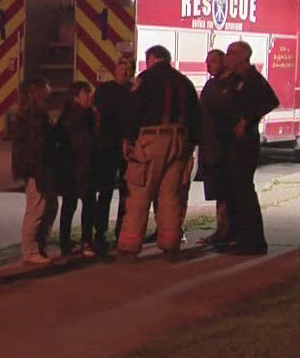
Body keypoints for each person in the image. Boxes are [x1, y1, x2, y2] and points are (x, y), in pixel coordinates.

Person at [115, 44, 202, 261]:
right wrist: (190, 144)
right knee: (171, 196)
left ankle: (129, 247)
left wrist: (127, 139)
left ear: (152, 58)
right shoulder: (184, 82)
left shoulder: (144, 80)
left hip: (151, 141)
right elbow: (195, 116)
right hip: (180, 142)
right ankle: (171, 245)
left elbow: (133, 111)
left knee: (139, 194)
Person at [215, 41, 281, 255]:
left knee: (243, 190)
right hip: (229, 142)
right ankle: (235, 236)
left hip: (245, 142)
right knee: (232, 190)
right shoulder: (233, 79)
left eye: (232, 53)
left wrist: (247, 120)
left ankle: (254, 241)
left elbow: (271, 101)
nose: (227, 57)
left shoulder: (253, 79)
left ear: (244, 56)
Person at [9, 78, 59, 264]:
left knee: (47, 206)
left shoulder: (32, 113)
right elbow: (34, 147)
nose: (49, 89)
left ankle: (38, 247)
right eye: (45, 86)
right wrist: (37, 172)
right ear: (37, 92)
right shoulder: (32, 116)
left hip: (38, 167)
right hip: (36, 168)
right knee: (36, 209)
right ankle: (30, 251)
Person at [88, 62, 136, 255]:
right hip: (108, 145)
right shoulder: (106, 90)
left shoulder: (134, 90)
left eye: (127, 70)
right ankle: (100, 234)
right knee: (106, 192)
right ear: (115, 71)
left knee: (127, 192)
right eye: (121, 69)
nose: (124, 72)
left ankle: (121, 232)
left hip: (127, 147)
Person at [53, 81, 97, 258]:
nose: (89, 96)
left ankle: (69, 242)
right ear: (75, 97)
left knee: (73, 206)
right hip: (77, 169)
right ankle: (82, 241)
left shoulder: (78, 116)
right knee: (81, 206)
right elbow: (83, 145)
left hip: (76, 169)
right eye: (86, 93)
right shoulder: (77, 119)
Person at [195, 50, 234, 247]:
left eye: (212, 61)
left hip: (222, 148)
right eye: (206, 61)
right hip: (210, 146)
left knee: (225, 193)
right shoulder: (212, 84)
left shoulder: (229, 85)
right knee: (218, 192)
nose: (208, 65)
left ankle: (226, 232)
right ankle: (222, 230)